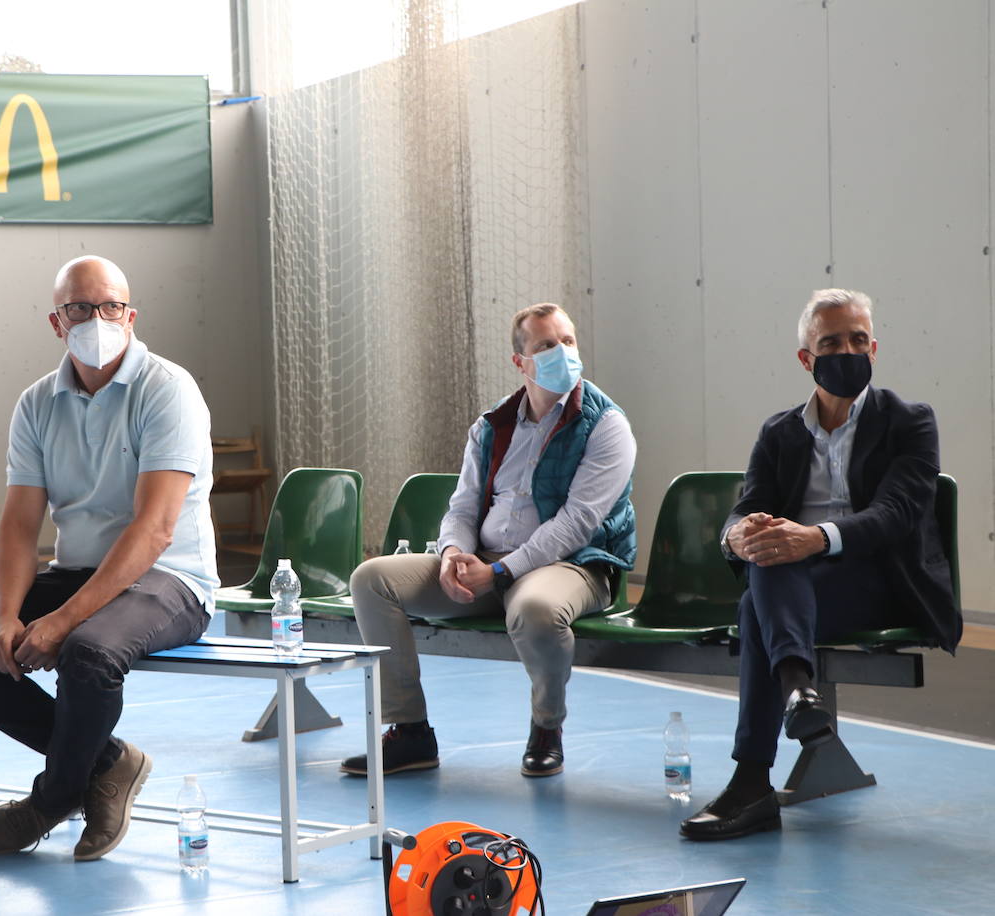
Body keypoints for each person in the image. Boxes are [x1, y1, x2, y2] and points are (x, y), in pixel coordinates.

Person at [0, 255, 217, 862]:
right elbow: (20, 526)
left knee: (89, 651)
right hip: (79, 573)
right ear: (57, 322)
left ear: (130, 316)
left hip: (170, 580)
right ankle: (107, 763)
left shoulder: (168, 390)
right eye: (80, 308)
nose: (96, 319)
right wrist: (5, 616)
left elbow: (154, 530)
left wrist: (61, 620)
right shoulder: (36, 403)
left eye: (110, 307)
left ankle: (51, 799)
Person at [681, 288, 960, 841]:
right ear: (807, 358)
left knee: (765, 586)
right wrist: (738, 534)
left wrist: (815, 537)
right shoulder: (779, 431)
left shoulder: (910, 421)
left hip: (880, 581)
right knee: (767, 548)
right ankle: (798, 695)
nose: (848, 350)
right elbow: (746, 507)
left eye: (858, 339)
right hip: (797, 588)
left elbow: (895, 514)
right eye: (831, 342)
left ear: (874, 348)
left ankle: (753, 780)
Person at [341, 303, 636, 778]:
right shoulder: (491, 426)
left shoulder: (606, 425)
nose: (563, 352)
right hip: (486, 562)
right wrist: (452, 555)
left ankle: (546, 729)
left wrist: (500, 572)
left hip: (574, 564)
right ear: (520, 362)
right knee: (372, 579)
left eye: (568, 341)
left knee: (536, 609)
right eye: (546, 345)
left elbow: (577, 523)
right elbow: (461, 507)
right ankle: (410, 732)